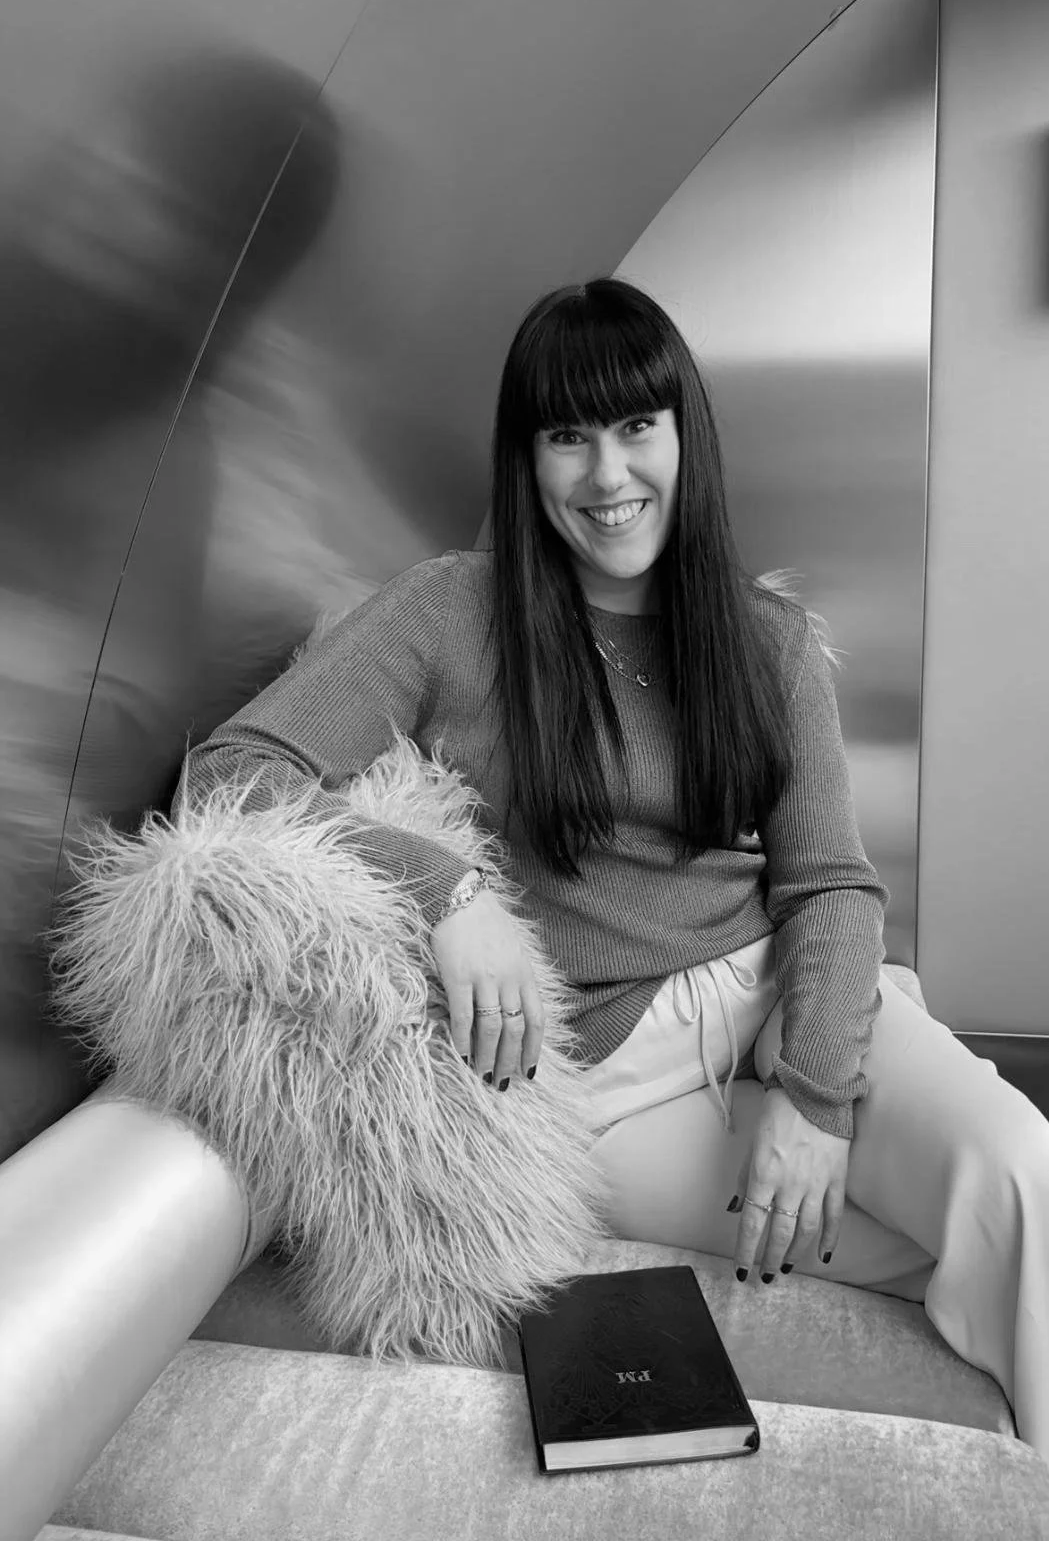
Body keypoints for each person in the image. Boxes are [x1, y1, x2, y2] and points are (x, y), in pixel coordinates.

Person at [177, 277, 1049, 1460]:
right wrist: (442, 891)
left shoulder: (765, 639)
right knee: (886, 1244)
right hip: (598, 1072)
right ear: (525, 460)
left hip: (771, 987)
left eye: (636, 426)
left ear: (683, 436)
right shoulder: (449, 611)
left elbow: (828, 886)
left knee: (1015, 1178)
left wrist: (811, 1093)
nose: (606, 476)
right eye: (566, 435)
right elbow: (235, 774)